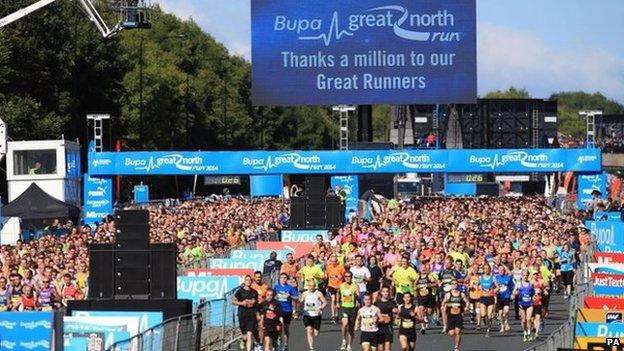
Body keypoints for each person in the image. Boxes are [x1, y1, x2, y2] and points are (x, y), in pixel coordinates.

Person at [233, 275, 260, 351]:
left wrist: (257, 313)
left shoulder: (254, 292)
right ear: (244, 281)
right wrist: (241, 303)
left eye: (250, 280)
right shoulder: (240, 291)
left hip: (251, 314)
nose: (248, 281)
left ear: (251, 281)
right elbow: (233, 301)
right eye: (247, 280)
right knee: (245, 335)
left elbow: (256, 303)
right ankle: (243, 340)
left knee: (250, 333)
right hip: (242, 314)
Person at [442, 281, 469, 351]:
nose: (454, 285)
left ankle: (456, 347)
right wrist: (443, 307)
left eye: (455, 283)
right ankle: (456, 340)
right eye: (452, 284)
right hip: (450, 316)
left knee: (458, 332)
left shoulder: (461, 294)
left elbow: (467, 301)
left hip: (459, 316)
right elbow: (443, 302)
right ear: (450, 285)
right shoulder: (448, 295)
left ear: (457, 285)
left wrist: (467, 307)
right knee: (451, 333)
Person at [274, 273, 299, 351]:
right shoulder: (276, 287)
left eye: (285, 278)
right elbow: (271, 296)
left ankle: (285, 345)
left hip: (288, 310)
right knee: (279, 326)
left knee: (286, 328)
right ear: (279, 279)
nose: (283, 279)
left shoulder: (290, 288)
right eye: (282, 278)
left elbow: (297, 298)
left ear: (287, 279)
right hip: (278, 310)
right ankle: (279, 338)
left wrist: (290, 296)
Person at [300, 279, 326, 351]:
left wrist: (320, 307)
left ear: (315, 286)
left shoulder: (318, 293)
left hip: (316, 315)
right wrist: (300, 304)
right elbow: (301, 302)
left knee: (316, 333)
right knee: (309, 330)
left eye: (313, 286)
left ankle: (316, 330)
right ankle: (311, 348)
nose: (311, 287)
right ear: (308, 286)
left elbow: (325, 302)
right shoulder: (305, 293)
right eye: (310, 286)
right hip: (307, 315)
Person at [339, 272, 359, 351]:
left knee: (351, 328)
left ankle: (349, 345)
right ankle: (344, 340)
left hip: (353, 308)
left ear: (351, 277)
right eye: (346, 276)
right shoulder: (341, 285)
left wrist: (356, 295)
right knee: (345, 323)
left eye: (349, 276)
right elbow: (338, 294)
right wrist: (337, 302)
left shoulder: (355, 286)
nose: (347, 278)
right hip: (344, 307)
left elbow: (358, 297)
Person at [415, 263, 437, 334]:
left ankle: (426, 315)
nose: (423, 269)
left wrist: (429, 285)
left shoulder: (429, 276)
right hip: (421, 297)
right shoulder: (418, 276)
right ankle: (423, 327)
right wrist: (416, 287)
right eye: (422, 268)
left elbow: (436, 284)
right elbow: (414, 285)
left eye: (424, 268)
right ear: (419, 269)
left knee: (430, 312)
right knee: (420, 309)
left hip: (429, 297)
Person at [375, 285, 397, 351]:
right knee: (380, 349)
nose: (385, 293)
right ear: (381, 293)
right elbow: (373, 314)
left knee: (388, 349)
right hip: (379, 328)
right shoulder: (377, 303)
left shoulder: (392, 302)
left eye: (387, 291)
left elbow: (396, 311)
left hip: (388, 328)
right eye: (384, 291)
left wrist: (395, 312)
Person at [478, 264, 497, 337]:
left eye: (488, 269)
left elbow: (497, 287)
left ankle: (488, 330)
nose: (486, 270)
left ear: (490, 270)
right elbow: (478, 286)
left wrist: (493, 291)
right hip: (483, 297)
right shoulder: (480, 277)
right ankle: (483, 319)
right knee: (483, 314)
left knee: (489, 316)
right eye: (485, 269)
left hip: (490, 298)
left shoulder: (493, 278)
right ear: (483, 270)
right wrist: (479, 288)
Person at [515, 271, 535, 342]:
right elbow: (514, 292)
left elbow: (533, 292)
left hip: (530, 304)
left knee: (528, 319)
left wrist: (534, 296)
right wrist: (515, 293)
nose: (525, 277)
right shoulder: (519, 284)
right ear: (522, 276)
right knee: (523, 320)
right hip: (521, 304)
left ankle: (529, 333)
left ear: (528, 276)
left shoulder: (531, 283)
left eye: (526, 275)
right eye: (524, 275)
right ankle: (525, 332)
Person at [325, 254, 345, 323]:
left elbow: (344, 276)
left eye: (334, 261)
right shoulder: (329, 267)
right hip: (331, 285)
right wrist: (326, 286)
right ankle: (333, 315)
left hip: (339, 286)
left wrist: (340, 276)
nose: (333, 263)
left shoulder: (341, 267)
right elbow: (326, 276)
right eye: (332, 261)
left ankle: (337, 314)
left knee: (337, 301)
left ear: (337, 261)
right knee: (333, 300)